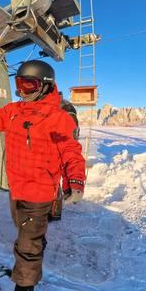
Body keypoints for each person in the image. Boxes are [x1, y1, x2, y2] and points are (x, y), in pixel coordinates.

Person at [0, 60, 85, 291]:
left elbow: (70, 151)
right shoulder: (13, 111)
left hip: (39, 192)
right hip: (16, 189)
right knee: (26, 233)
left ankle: (24, 290)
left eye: (29, 85)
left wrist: (75, 180)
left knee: (27, 244)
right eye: (19, 85)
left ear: (46, 86)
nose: (22, 91)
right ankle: (35, 247)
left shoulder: (58, 117)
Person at [48, 93, 80, 222]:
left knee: (53, 182)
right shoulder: (59, 107)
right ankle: (52, 211)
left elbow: (71, 133)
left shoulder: (65, 108)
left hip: (59, 147)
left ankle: (54, 212)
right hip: (54, 146)